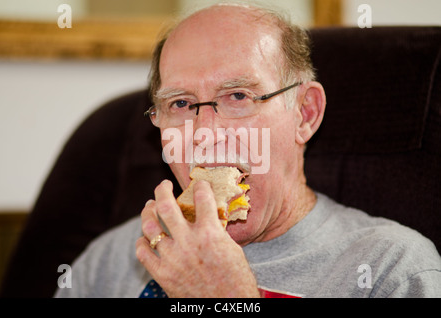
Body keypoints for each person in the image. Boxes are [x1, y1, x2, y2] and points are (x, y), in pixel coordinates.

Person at [55, 3, 441, 298]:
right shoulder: (108, 261)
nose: (204, 134)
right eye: (181, 104)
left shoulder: (393, 270)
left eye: (238, 96)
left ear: (305, 114)